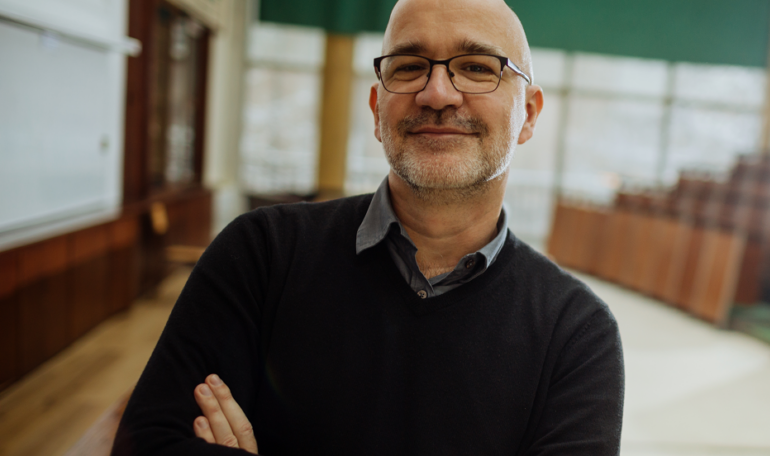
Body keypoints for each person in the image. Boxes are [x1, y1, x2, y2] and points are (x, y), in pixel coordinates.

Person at [112, 0, 624, 454]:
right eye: (409, 66)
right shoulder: (260, 254)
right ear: (378, 109)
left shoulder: (577, 335)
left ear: (528, 114)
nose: (438, 92)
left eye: (475, 67)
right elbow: (149, 441)